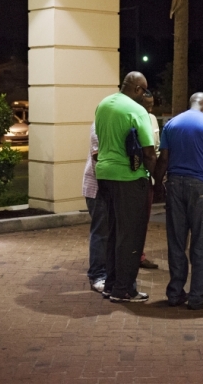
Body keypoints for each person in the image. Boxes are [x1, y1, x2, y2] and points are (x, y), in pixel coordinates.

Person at [154, 93, 203, 310]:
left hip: (175, 184)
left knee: (176, 241)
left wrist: (158, 183)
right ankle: (198, 295)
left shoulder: (172, 124)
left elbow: (164, 158)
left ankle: (175, 292)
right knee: (202, 241)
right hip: (201, 186)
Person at [94, 72, 156, 303]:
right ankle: (124, 289)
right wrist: (152, 176)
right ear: (138, 89)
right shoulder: (136, 110)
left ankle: (111, 285)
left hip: (104, 174)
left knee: (114, 232)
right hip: (128, 178)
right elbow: (148, 152)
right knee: (131, 236)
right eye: (144, 90)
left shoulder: (103, 104)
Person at [82, 122, 108, 293]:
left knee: (107, 231)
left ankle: (105, 273)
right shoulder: (98, 126)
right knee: (101, 231)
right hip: (97, 188)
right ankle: (97, 275)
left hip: (108, 187)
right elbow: (98, 156)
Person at [140, 95, 160, 270]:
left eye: (152, 105)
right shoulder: (132, 116)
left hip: (149, 178)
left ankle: (139, 254)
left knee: (143, 219)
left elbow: (157, 148)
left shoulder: (152, 119)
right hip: (134, 175)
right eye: (147, 106)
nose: (151, 109)